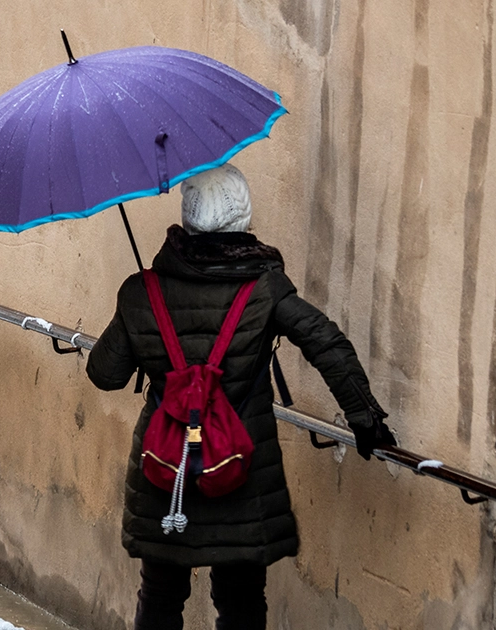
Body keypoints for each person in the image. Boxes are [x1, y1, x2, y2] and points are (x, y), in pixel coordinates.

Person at [85, 164, 395, 629]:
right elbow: (323, 340)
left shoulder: (141, 290)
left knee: (160, 596)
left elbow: (105, 375)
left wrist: (138, 312)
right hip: (240, 467)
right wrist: (364, 417)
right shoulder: (265, 288)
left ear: (186, 218)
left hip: (167, 470)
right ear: (242, 217)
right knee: (242, 603)